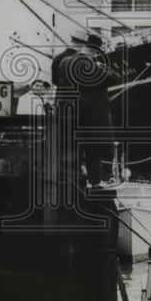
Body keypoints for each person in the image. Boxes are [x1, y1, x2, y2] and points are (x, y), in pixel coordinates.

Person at [52, 28, 116, 188]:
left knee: (71, 151)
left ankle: (71, 183)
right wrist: (101, 66)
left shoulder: (64, 62)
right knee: (94, 152)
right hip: (91, 117)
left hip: (70, 114)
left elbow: (59, 83)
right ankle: (95, 183)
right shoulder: (94, 67)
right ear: (94, 51)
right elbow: (114, 78)